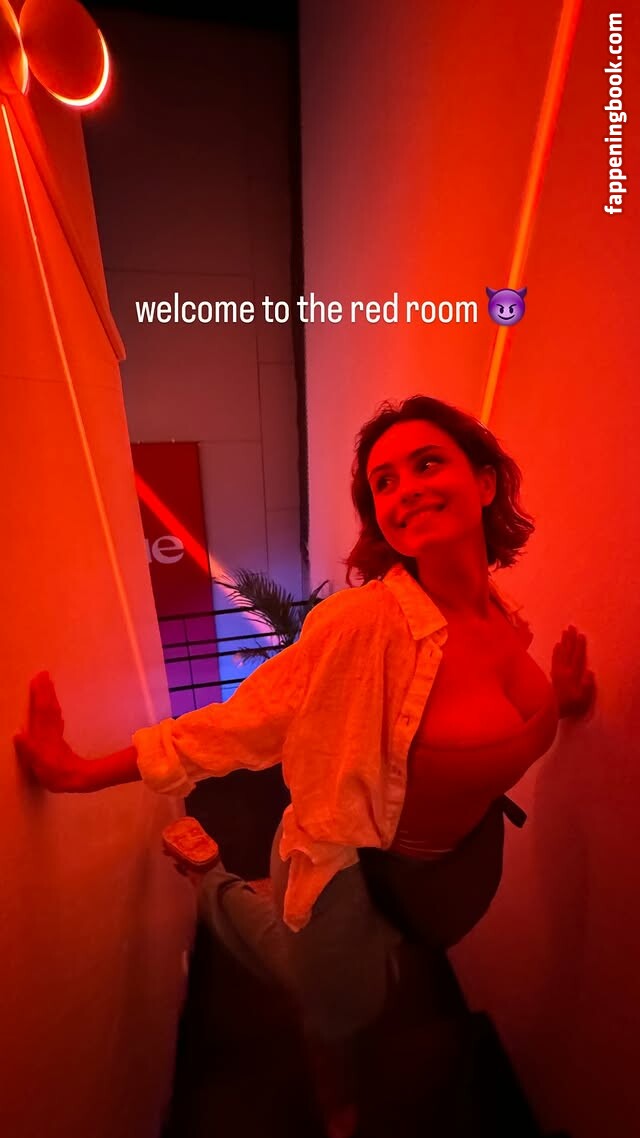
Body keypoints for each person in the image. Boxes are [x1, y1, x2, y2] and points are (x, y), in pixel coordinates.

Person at [15, 395, 595, 1138]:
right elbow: (242, 723)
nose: (406, 490)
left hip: (441, 870)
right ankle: (215, 885)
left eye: (427, 464)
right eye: (384, 482)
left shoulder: (504, 615)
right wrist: (79, 772)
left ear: (484, 483)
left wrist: (563, 702)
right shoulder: (363, 625)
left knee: (367, 970)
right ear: (379, 517)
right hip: (345, 870)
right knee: (328, 998)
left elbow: (500, 716)